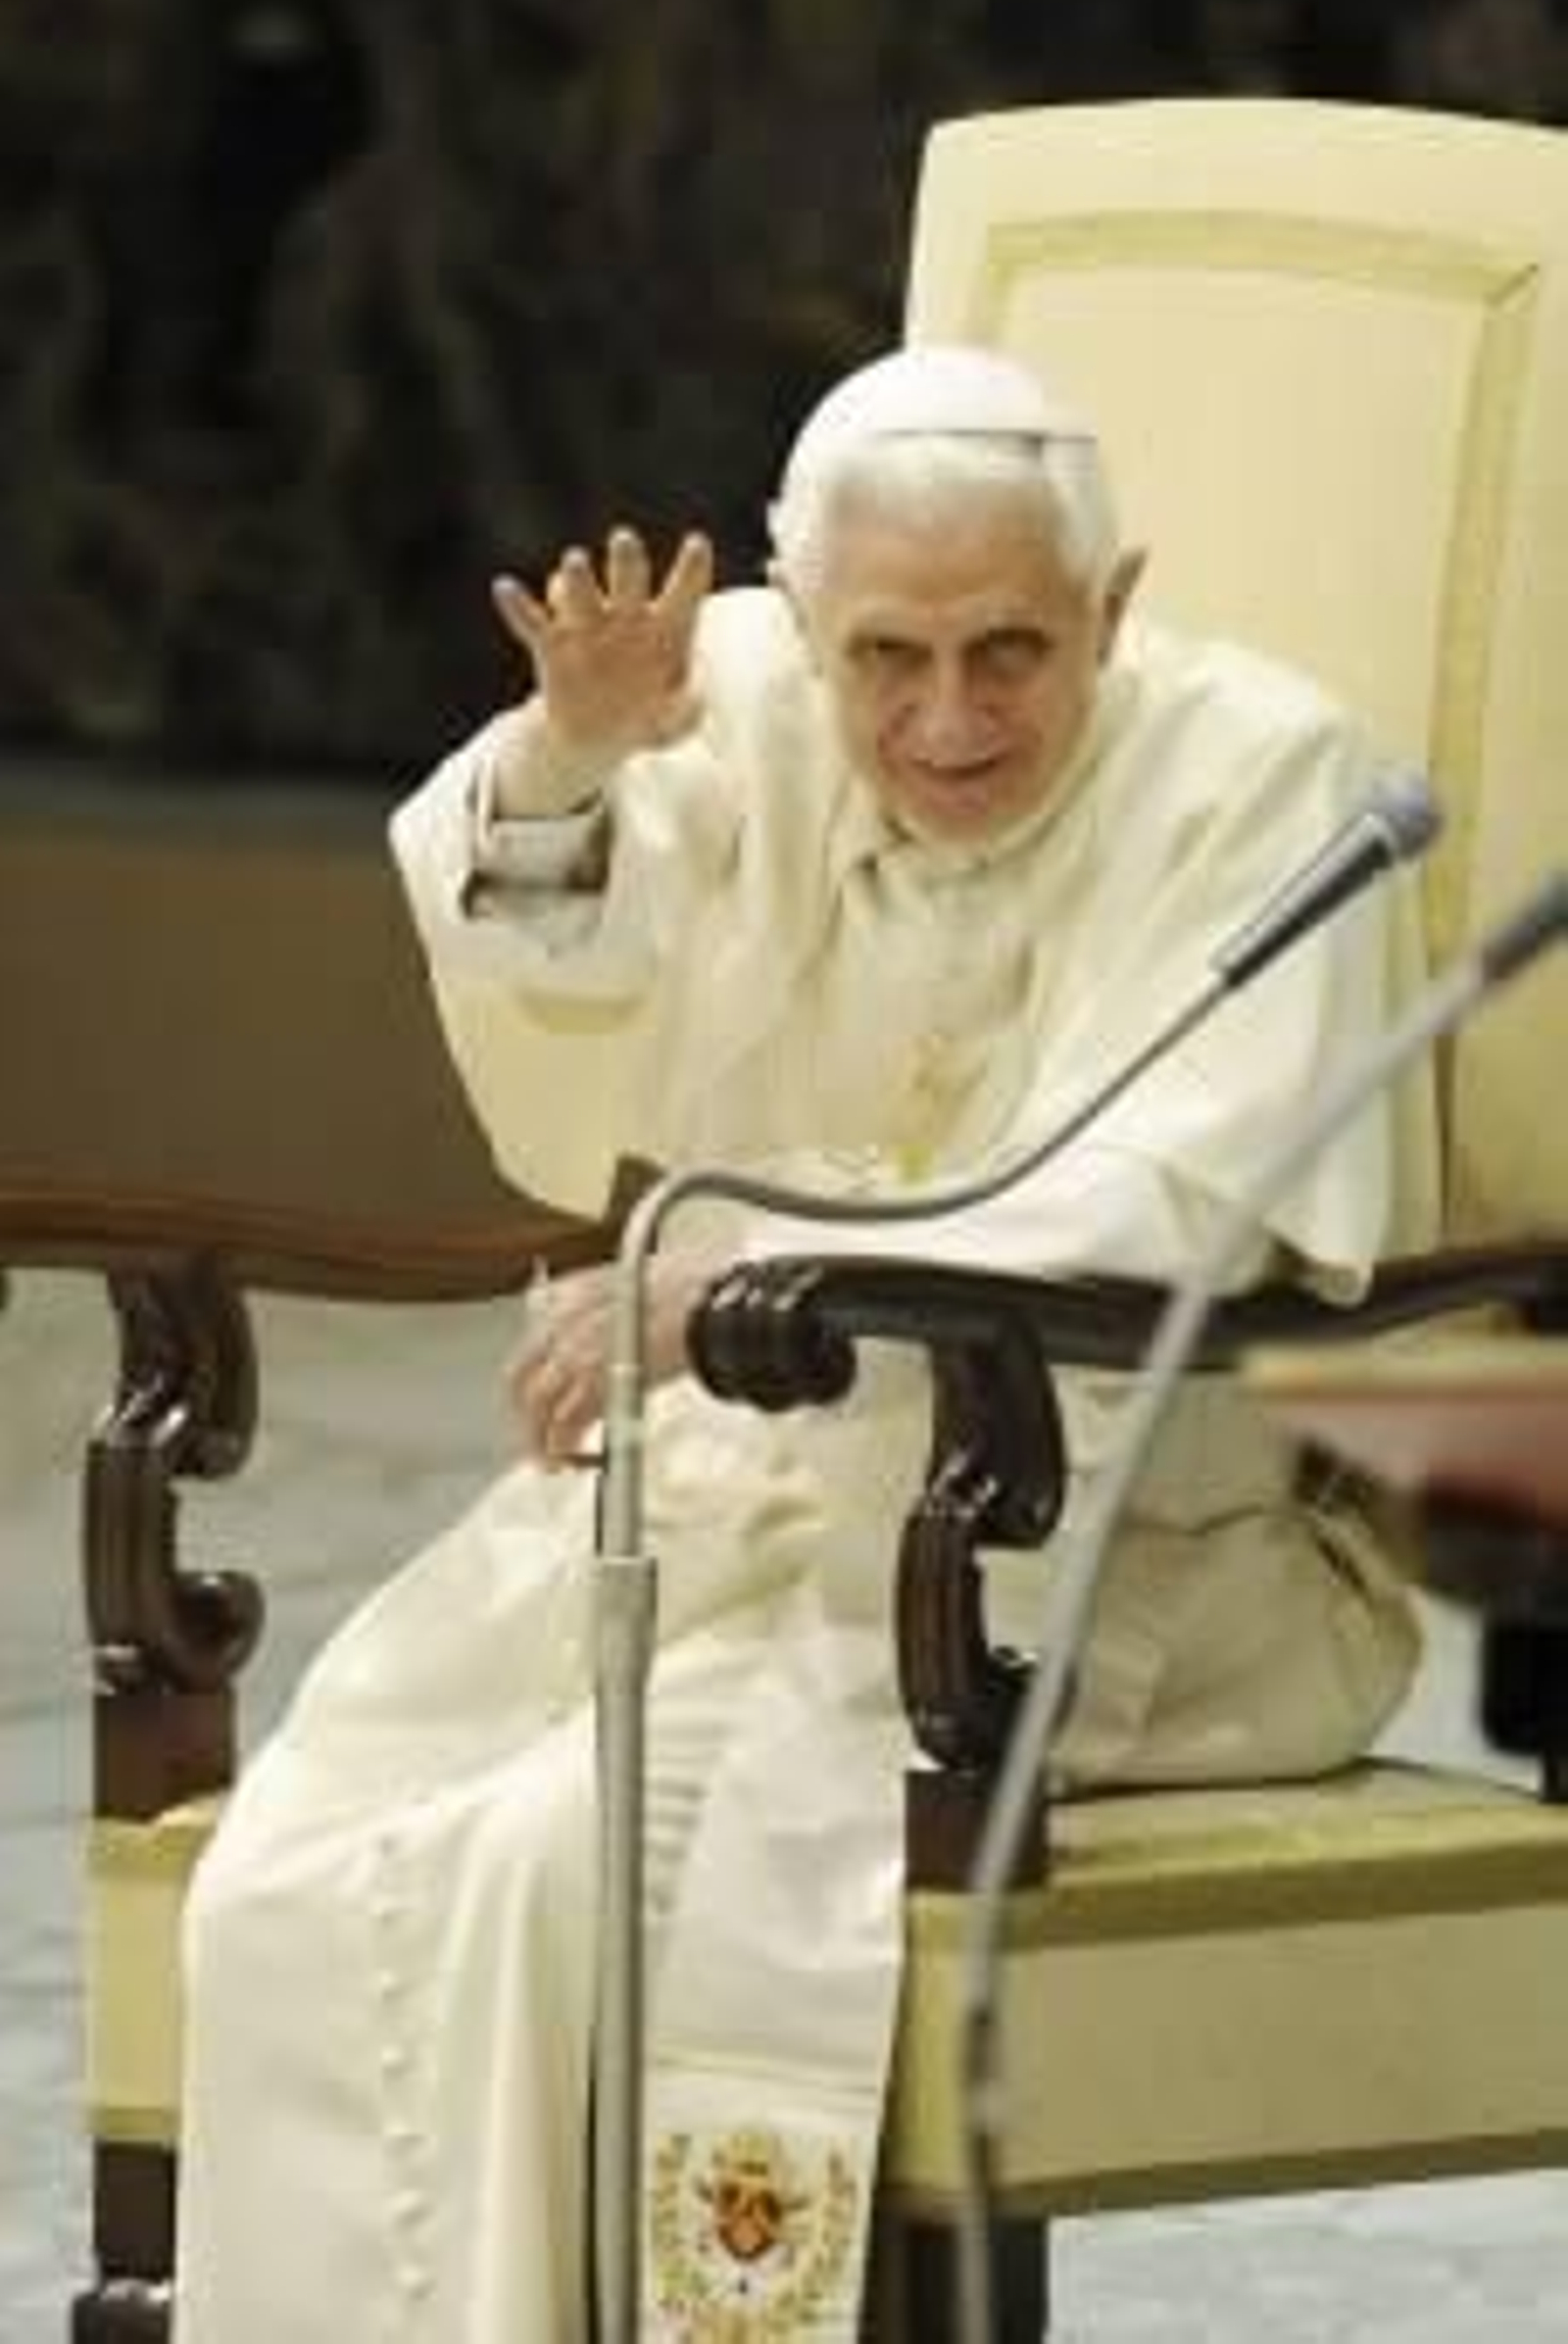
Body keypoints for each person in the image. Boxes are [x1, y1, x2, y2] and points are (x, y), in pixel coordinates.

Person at [174, 343, 1438, 2340]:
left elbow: (1170, 1205)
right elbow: (546, 964)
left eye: (1013, 650)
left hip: (1071, 1559)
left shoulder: (1268, 778)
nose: (944, 719)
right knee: (289, 1878)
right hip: (712, 1516)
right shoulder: (734, 688)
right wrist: (574, 755)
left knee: (547, 1874)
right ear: (805, 610)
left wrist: (744, 1290)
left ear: (1111, 607)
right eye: (887, 657)